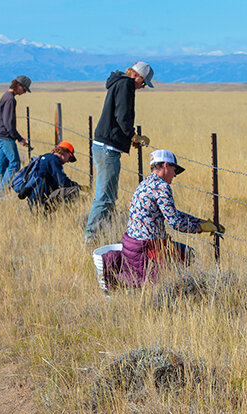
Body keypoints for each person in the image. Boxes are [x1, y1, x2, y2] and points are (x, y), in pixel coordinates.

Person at [102, 149, 224, 289]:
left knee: (183, 253)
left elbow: (173, 213)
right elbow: (176, 223)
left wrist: (200, 221)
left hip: (132, 246)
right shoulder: (162, 187)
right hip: (148, 249)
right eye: (175, 169)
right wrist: (201, 228)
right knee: (188, 255)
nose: (175, 175)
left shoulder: (145, 184)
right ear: (166, 165)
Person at [83, 61, 154, 242]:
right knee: (105, 198)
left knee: (109, 196)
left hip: (107, 146)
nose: (142, 87)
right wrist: (132, 136)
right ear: (136, 76)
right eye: (143, 83)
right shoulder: (126, 84)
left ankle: (102, 234)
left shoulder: (120, 82)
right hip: (108, 148)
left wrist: (129, 139)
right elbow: (121, 115)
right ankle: (90, 239)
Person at [0, 75, 31, 198]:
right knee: (15, 164)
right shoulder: (10, 99)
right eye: (24, 89)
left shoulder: (5, 96)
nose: (24, 92)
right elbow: (8, 123)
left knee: (1, 167)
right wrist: (19, 138)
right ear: (18, 86)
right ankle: (2, 192)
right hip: (6, 138)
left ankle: (0, 196)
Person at [26, 141, 81, 211]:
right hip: (41, 201)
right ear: (64, 152)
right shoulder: (55, 160)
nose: (68, 161)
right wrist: (76, 184)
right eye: (69, 158)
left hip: (32, 200)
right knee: (74, 189)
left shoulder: (45, 156)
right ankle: (63, 214)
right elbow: (62, 182)